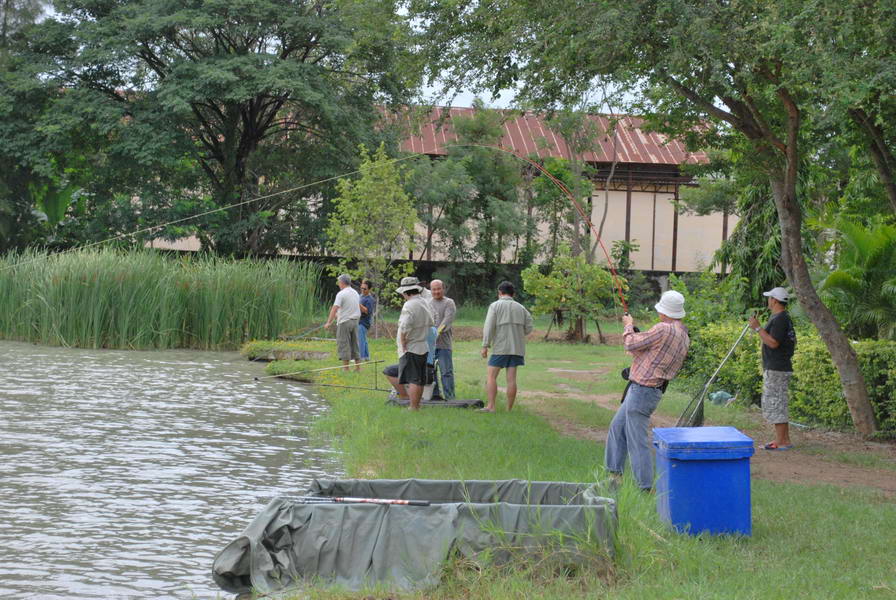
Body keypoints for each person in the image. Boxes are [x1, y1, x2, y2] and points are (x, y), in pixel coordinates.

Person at [605, 290, 690, 491]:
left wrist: (628, 325)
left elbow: (630, 343)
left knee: (637, 440)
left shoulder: (663, 328)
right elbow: (643, 349)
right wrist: (635, 333)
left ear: (665, 311)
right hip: (650, 391)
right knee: (617, 428)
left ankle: (644, 486)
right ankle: (614, 476)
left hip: (643, 391)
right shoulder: (683, 335)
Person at [749, 287, 797, 451]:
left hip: (777, 368)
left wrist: (757, 328)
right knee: (778, 402)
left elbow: (773, 342)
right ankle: (783, 439)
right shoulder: (782, 318)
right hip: (778, 367)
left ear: (774, 300)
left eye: (769, 298)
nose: (768, 301)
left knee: (776, 403)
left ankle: (782, 441)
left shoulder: (780, 319)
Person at [480, 281, 534, 412]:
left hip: (500, 347)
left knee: (491, 376)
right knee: (511, 379)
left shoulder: (495, 306)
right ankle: (509, 409)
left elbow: (489, 326)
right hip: (517, 348)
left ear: (499, 293)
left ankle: (491, 406)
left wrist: (485, 345)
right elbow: (529, 327)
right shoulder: (521, 308)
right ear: (513, 294)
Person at [388, 276, 434, 410]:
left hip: (411, 346)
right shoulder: (424, 301)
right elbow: (432, 321)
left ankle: (413, 406)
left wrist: (403, 343)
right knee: (419, 378)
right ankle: (416, 405)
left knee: (414, 379)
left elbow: (404, 326)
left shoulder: (409, 304)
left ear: (406, 292)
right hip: (422, 345)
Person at [323, 274, 361, 372]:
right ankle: (358, 368)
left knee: (344, 344)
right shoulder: (355, 293)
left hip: (344, 323)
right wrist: (338, 316)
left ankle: (346, 368)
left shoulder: (341, 294)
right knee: (355, 344)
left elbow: (334, 308)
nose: (338, 284)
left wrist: (328, 322)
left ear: (342, 283)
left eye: (339, 282)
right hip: (355, 322)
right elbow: (349, 308)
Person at [428, 279, 456, 400]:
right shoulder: (428, 303)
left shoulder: (449, 303)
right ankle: (435, 396)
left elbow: (447, 321)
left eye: (439, 288)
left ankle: (450, 397)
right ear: (430, 290)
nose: (436, 291)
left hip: (444, 344)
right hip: (430, 346)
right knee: (431, 372)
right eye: (434, 289)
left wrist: (436, 333)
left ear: (443, 289)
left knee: (446, 372)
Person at [358, 280, 376, 362]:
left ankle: (360, 357)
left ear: (369, 289)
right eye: (361, 288)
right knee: (364, 339)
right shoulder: (360, 296)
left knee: (361, 339)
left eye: (364, 289)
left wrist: (358, 304)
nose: (362, 290)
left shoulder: (370, 299)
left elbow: (367, 311)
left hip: (364, 322)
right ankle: (366, 356)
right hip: (358, 320)